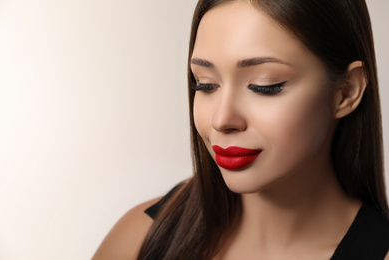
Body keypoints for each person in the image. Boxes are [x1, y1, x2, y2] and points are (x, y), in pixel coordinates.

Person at [92, 0, 389, 259]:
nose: (221, 119)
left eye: (265, 85)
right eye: (205, 84)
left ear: (347, 92)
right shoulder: (138, 239)